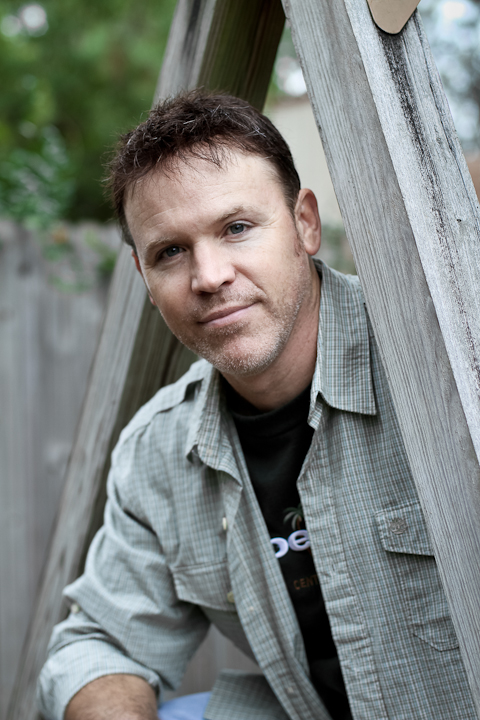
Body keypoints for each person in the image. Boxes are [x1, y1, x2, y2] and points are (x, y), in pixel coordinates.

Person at [37, 92, 475, 720]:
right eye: (170, 251)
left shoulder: (448, 363)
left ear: (305, 225)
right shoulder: (159, 452)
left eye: (236, 228)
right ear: (143, 277)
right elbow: (97, 644)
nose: (209, 276)